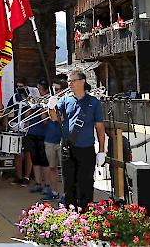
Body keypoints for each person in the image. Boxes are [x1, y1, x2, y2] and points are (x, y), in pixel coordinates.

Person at [48, 70, 106, 210]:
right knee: (69, 184)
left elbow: (99, 127)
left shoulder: (93, 102)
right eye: (69, 81)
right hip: (67, 148)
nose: (70, 84)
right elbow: (55, 118)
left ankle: (85, 215)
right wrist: (51, 107)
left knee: (85, 184)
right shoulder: (65, 100)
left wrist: (102, 151)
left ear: (82, 81)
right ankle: (71, 214)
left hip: (86, 148)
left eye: (73, 80)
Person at [25, 79, 50, 194]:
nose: (38, 91)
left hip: (43, 134)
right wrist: (31, 105)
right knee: (35, 160)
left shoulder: (48, 101)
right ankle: (38, 183)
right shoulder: (33, 100)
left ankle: (47, 184)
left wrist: (41, 106)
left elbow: (45, 121)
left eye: (39, 89)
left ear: (45, 91)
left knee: (44, 161)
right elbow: (26, 116)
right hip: (32, 132)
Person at [42, 80, 64, 202]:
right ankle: (54, 191)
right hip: (50, 139)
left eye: (58, 89)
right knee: (52, 167)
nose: (56, 92)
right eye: (53, 90)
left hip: (62, 139)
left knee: (65, 169)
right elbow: (44, 121)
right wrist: (44, 109)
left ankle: (66, 194)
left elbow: (59, 119)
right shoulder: (50, 102)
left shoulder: (66, 102)